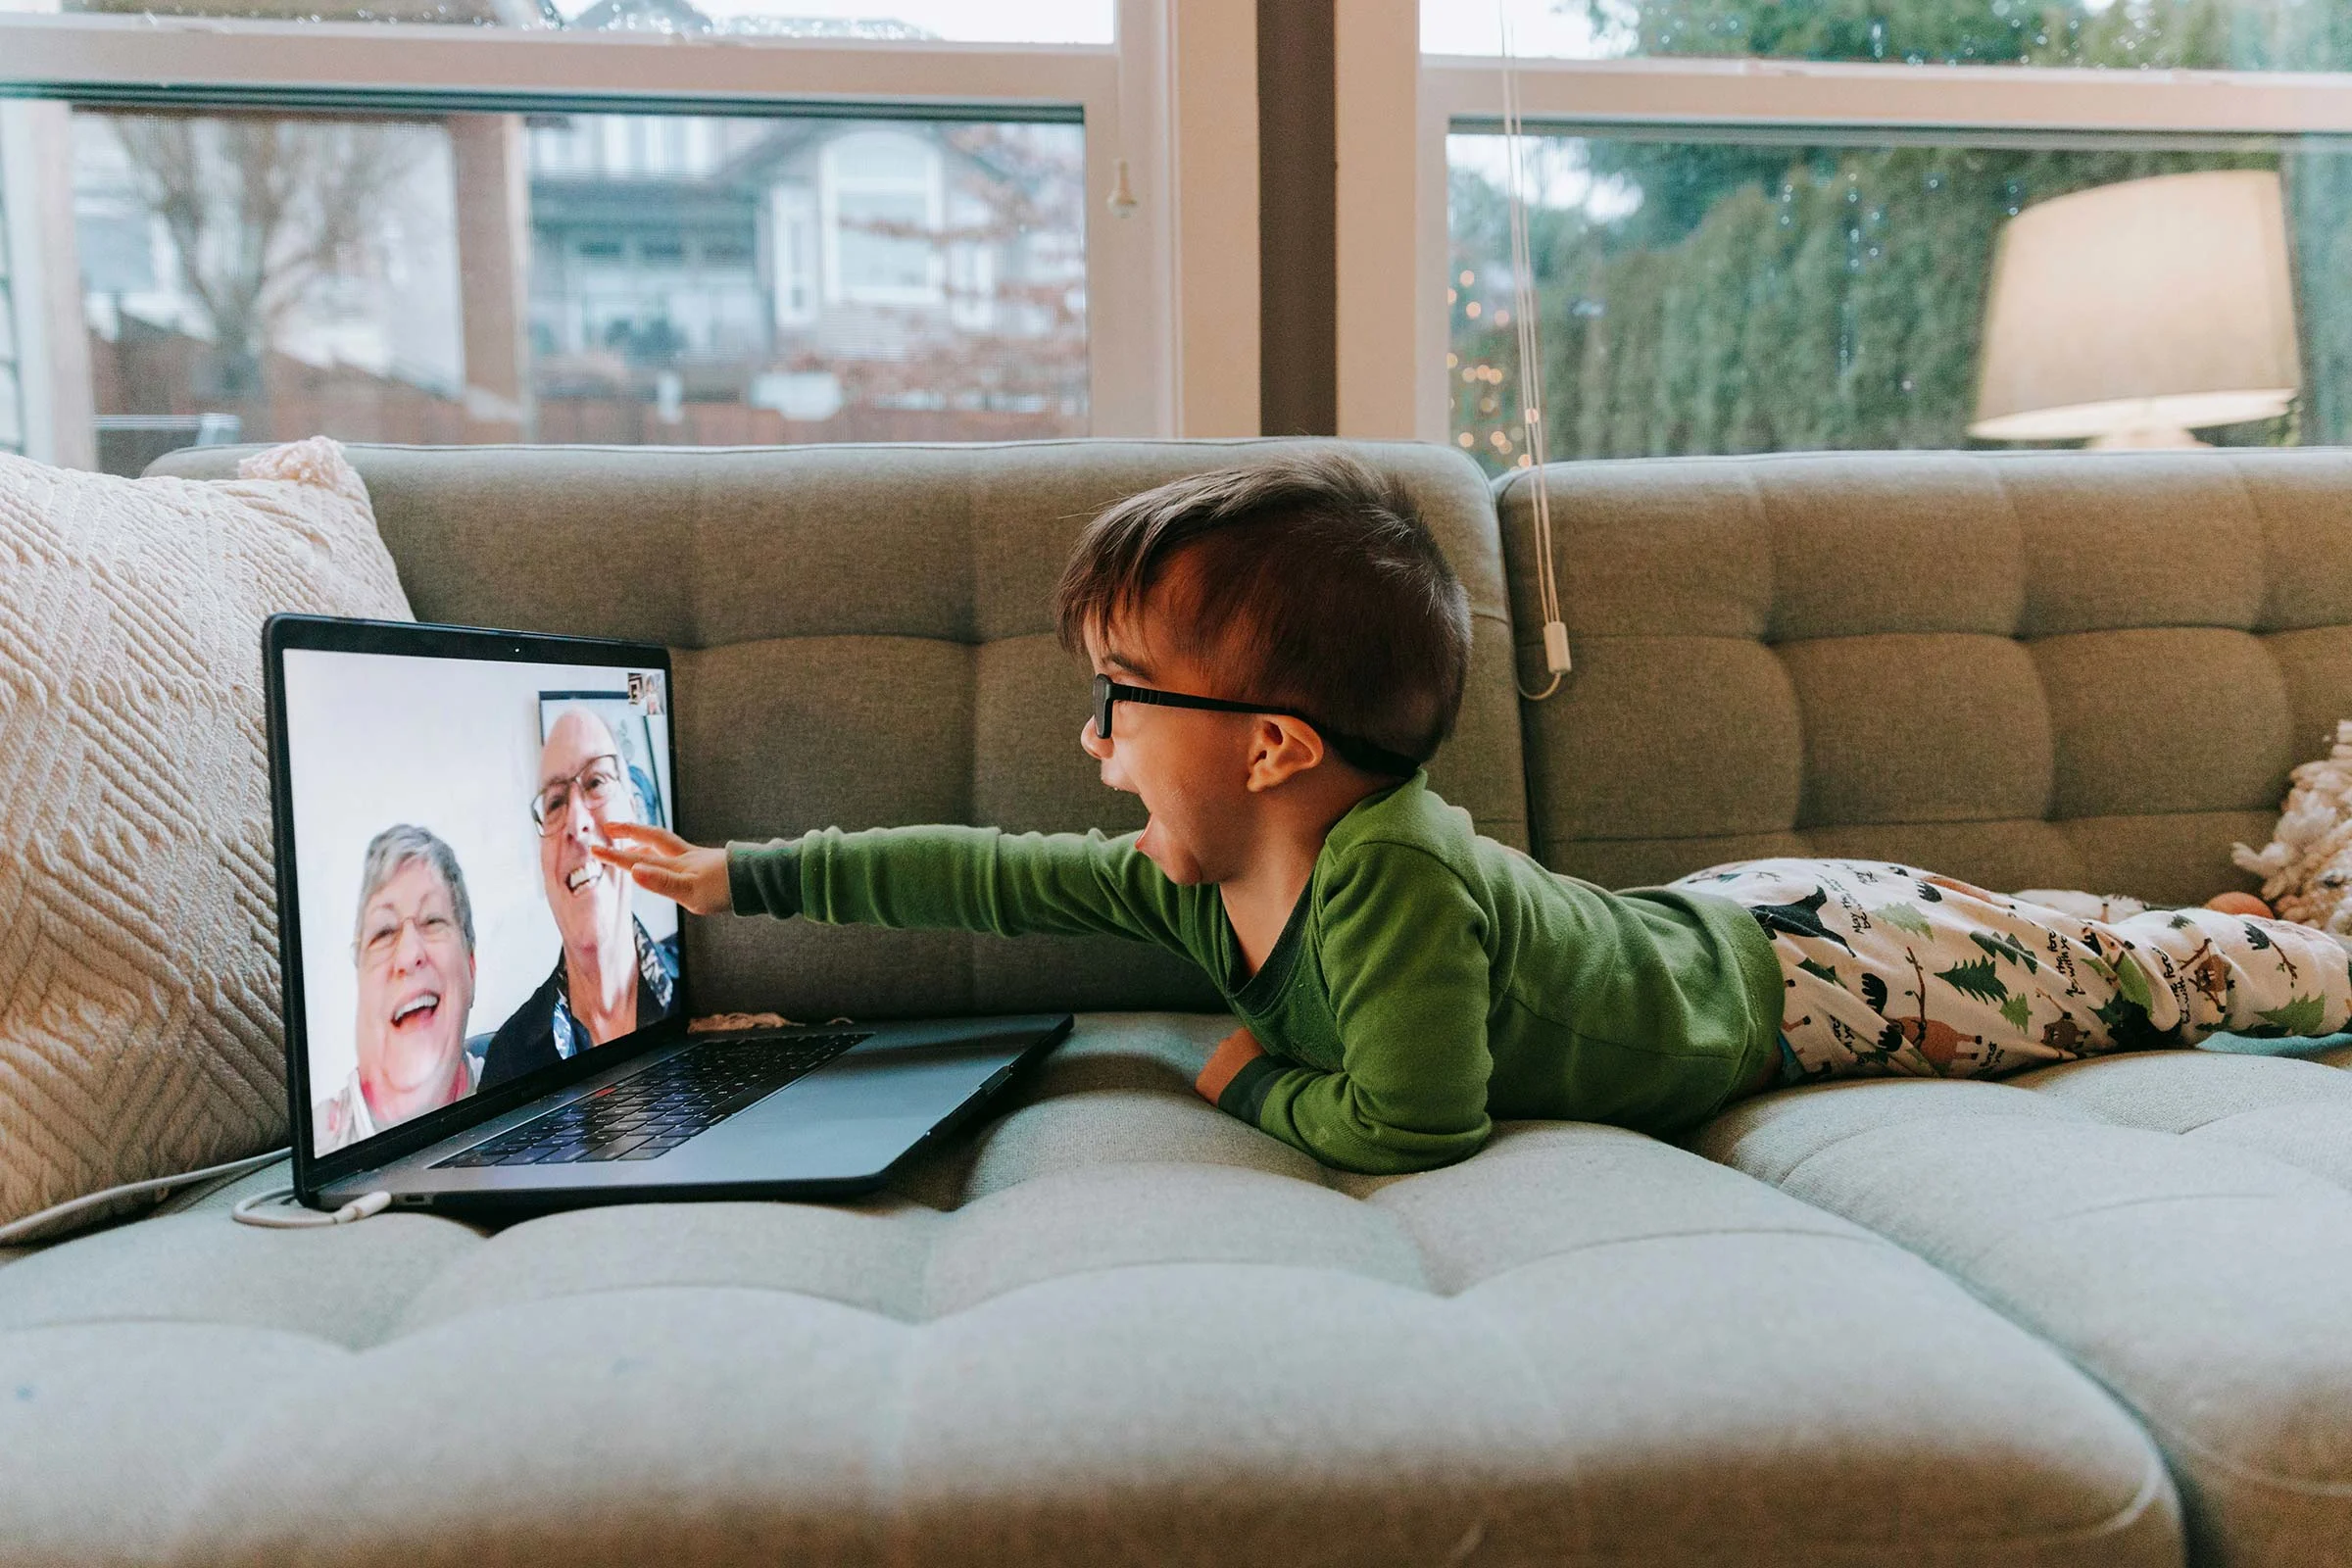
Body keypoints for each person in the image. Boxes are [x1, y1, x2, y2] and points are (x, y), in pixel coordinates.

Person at [589, 453, 2352, 1176]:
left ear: (1276, 746)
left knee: (2131, 970)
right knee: (2063, 924)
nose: (1093, 737)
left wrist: (1247, 1079)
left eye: (1126, 698)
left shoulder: (1389, 890)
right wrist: (745, 871)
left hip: (1815, 985)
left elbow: (1410, 1123)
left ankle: (2323, 963)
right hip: (1733, 912)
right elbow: (971, 874)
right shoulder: (1196, 875)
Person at [480, 708, 679, 1088]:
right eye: (555, 803)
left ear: (636, 816)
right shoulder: (510, 1061)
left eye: (596, 782)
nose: (575, 821)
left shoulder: (704, 990)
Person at [315, 824, 481, 1153]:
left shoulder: (517, 1078)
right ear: (360, 982)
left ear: (471, 970)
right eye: (384, 932)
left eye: (433, 920)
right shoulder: (321, 1141)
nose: (408, 955)